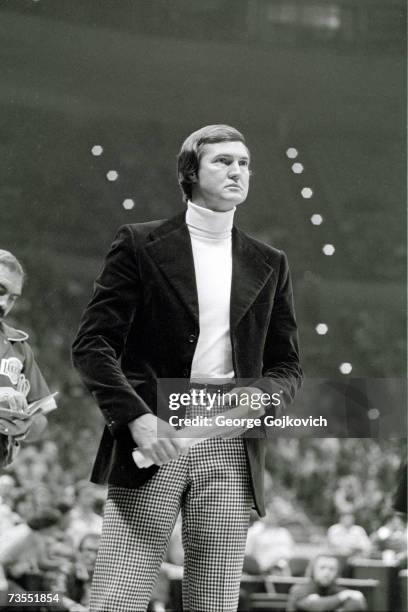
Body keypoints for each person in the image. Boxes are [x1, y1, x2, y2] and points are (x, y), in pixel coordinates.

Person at [72, 124, 302, 611]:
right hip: (155, 427)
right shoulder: (138, 243)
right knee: (117, 597)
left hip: (228, 441)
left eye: (244, 163)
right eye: (223, 161)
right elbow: (92, 344)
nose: (237, 170)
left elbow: (286, 365)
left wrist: (263, 398)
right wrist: (134, 417)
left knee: (214, 602)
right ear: (190, 171)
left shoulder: (270, 262)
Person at [0, 250, 56, 467]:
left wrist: (24, 421)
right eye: (0, 290)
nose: (4, 304)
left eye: (13, 298)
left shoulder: (19, 347)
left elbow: (41, 422)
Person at [287, 554, 367, 611]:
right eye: (322, 568)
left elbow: (357, 604)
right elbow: (316, 607)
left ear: (337, 572)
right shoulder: (299, 590)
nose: (326, 573)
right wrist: (340, 598)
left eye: (331, 569)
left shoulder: (341, 592)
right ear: (313, 570)